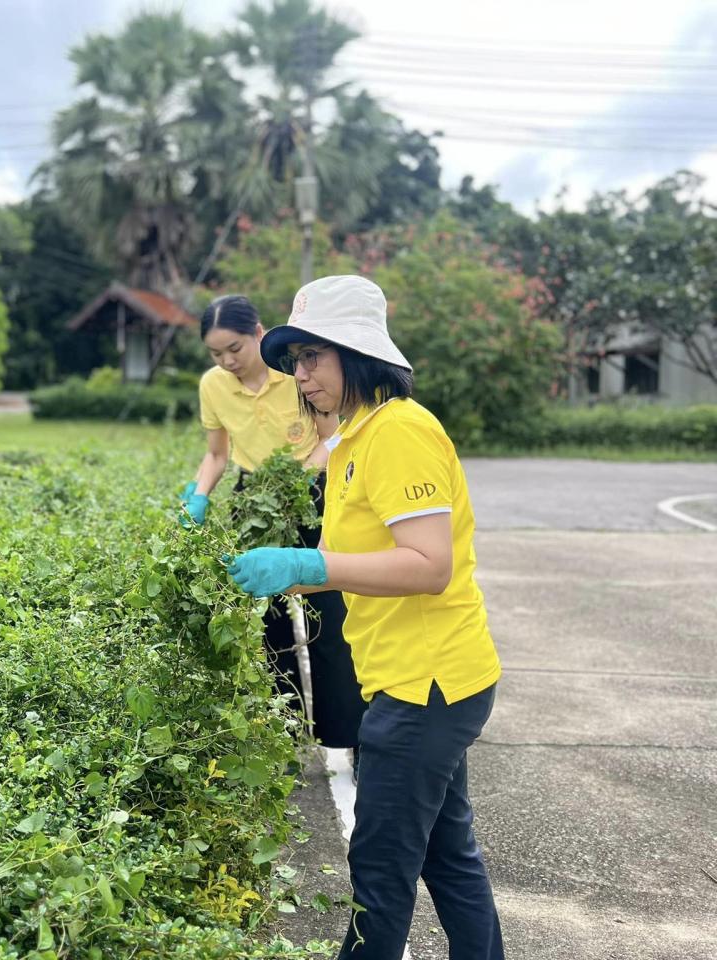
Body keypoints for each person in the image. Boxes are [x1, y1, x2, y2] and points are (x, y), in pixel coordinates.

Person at [226, 275, 504, 959]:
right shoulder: (353, 440)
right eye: (294, 361)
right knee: (448, 856)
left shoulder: (400, 433)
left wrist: (310, 568)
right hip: (411, 679)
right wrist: (285, 568)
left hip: (425, 686)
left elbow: (428, 563)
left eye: (313, 357)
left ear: (356, 354)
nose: (301, 375)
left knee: (378, 881)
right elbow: (344, 552)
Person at [181, 293, 367, 755]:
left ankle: (348, 739)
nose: (226, 361)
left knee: (331, 618)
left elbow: (332, 439)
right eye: (216, 353)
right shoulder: (214, 386)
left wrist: (299, 475)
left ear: (258, 334)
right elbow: (217, 454)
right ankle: (283, 740)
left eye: (235, 349)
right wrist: (199, 497)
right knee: (270, 628)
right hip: (255, 504)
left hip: (311, 498)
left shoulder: (297, 376)